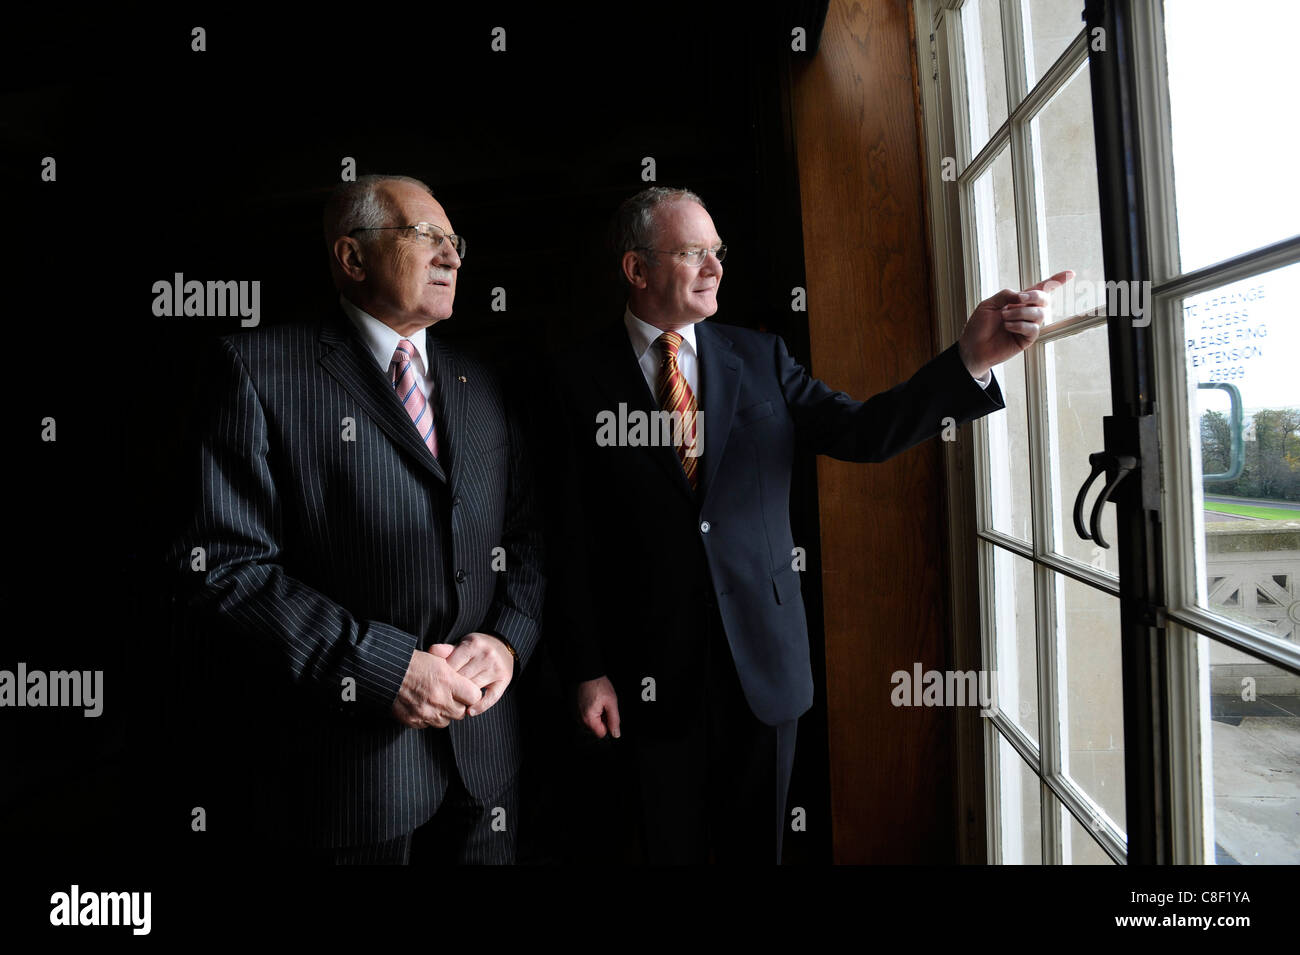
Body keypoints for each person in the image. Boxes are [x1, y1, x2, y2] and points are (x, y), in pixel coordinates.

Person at [548, 185, 1070, 863]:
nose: (715, 268)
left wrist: (969, 359)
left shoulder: (759, 358)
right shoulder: (573, 378)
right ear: (637, 269)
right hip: (643, 678)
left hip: (763, 671)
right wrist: (587, 668)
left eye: (718, 251)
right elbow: (566, 536)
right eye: (692, 252)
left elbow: (865, 431)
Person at [170, 174, 543, 864]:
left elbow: (523, 537)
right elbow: (222, 568)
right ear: (351, 256)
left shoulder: (481, 380)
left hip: (484, 766)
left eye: (455, 242)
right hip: (347, 783)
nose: (453, 257)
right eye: (426, 236)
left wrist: (507, 640)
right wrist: (383, 667)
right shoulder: (257, 371)